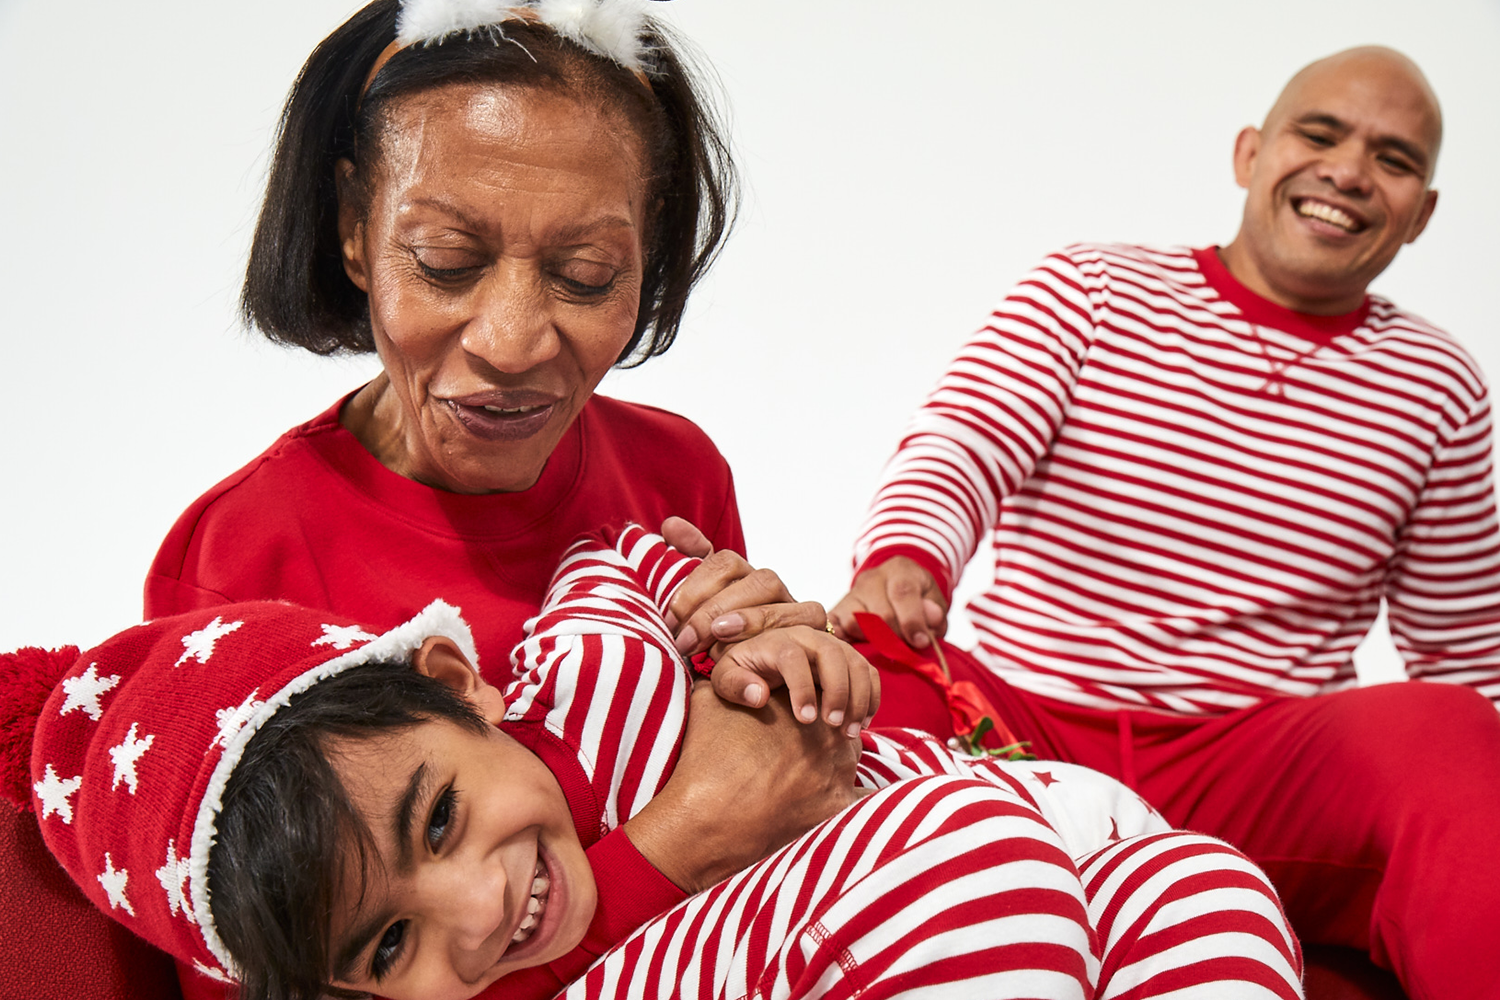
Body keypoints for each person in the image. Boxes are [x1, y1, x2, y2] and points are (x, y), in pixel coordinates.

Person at [0, 2, 850, 998]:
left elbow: (760, 819)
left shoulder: (677, 470)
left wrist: (787, 673)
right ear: (357, 230)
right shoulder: (242, 555)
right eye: (446, 261)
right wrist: (683, 840)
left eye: (586, 275)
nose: (514, 340)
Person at [831, 46, 1500, 1000]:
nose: (1349, 170)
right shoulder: (1092, 290)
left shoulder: (1439, 382)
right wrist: (907, 561)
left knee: (1452, 731)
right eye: (1320, 133)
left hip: (1256, 765)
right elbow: (961, 444)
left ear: (1423, 212)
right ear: (1250, 154)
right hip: (1017, 725)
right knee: (847, 666)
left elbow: (1467, 645)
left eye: (1393, 159)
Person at [5, 523, 1305, 1000]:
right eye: (389, 950)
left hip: (1030, 809)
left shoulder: (573, 664)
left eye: (444, 818)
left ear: (461, 685)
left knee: (1213, 895)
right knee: (960, 856)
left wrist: (731, 621)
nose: (475, 913)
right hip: (917, 865)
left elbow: (628, 555)